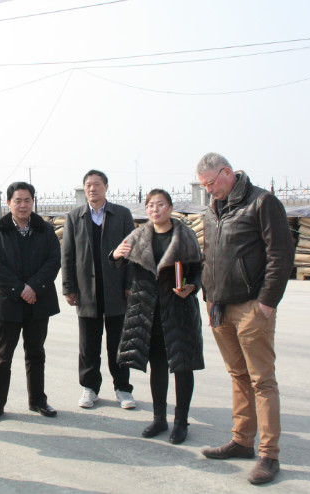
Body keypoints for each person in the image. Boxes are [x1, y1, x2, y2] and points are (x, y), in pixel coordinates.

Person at [195, 152, 294, 485]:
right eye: (203, 186)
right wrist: (207, 294)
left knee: (261, 381)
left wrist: (266, 303)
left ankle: (269, 454)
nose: (209, 190)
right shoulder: (213, 209)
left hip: (251, 307)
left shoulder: (262, 203)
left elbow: (281, 254)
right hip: (219, 307)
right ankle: (241, 440)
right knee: (238, 376)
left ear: (227, 172)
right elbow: (210, 255)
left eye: (211, 183)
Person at [111, 189, 204, 445]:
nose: (155, 209)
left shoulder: (185, 235)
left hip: (179, 310)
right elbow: (118, 260)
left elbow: (198, 269)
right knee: (158, 366)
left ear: (170, 208)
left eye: (160, 204)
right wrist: (115, 255)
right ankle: (159, 418)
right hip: (148, 312)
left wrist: (193, 287)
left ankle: (181, 422)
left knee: (183, 366)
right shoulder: (139, 235)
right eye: (151, 205)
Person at [0, 182, 61, 424]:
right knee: (2, 356)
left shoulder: (45, 229)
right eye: (18, 200)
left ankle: (37, 400)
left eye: (27, 200)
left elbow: (53, 261)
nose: (23, 205)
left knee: (36, 354)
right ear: (9, 203)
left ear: (33, 202)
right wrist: (20, 290)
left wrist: (34, 287)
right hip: (8, 304)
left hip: (38, 302)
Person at [61, 170, 136, 409]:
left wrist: (129, 284)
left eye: (97, 184)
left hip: (116, 289)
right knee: (88, 345)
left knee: (119, 343)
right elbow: (67, 254)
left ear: (106, 187)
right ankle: (90, 388)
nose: (92, 189)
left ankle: (123, 389)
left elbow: (132, 252)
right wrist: (69, 287)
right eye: (88, 185)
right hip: (86, 290)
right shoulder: (74, 217)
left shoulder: (121, 215)